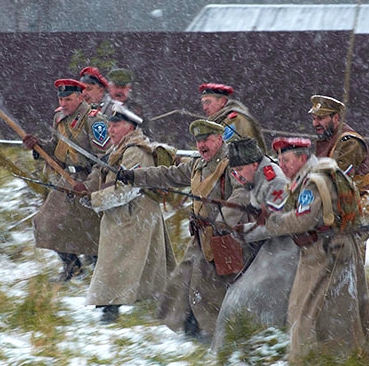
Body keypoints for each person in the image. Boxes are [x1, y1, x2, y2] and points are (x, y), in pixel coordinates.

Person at [238, 155, 369, 364]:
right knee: (316, 311)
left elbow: (302, 220)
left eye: (287, 159)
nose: (283, 165)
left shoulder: (314, 183)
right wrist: (266, 216)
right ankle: (332, 361)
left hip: (329, 252)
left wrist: (271, 221)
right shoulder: (303, 181)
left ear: (302, 158)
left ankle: (323, 365)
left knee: (314, 312)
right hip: (321, 252)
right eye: (280, 159)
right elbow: (292, 212)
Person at [115, 119, 248, 340]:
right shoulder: (197, 164)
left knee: (209, 287)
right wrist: (135, 177)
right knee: (182, 280)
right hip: (201, 236)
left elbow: (241, 195)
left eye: (206, 139)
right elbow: (169, 175)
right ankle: (188, 327)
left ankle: (215, 333)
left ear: (220, 138)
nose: (201, 145)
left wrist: (223, 223)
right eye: (198, 141)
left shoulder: (232, 163)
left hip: (224, 239)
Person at [81, 105, 176, 323]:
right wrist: (88, 190)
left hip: (136, 213)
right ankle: (114, 302)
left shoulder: (135, 151)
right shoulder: (121, 149)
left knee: (120, 260)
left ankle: (110, 306)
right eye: (110, 125)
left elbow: (129, 189)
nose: (110, 130)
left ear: (130, 126)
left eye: (116, 125)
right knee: (137, 263)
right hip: (125, 214)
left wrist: (95, 199)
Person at [211, 137, 297, 352]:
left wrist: (245, 233)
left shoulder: (274, 181)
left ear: (254, 164)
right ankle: (242, 347)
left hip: (288, 248)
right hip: (271, 247)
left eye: (240, 170)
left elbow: (279, 224)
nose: (237, 176)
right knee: (236, 295)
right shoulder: (256, 178)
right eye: (234, 172)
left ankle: (263, 347)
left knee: (247, 296)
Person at [22, 79, 111, 282]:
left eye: (68, 99)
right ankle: (72, 266)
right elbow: (56, 147)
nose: (63, 103)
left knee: (92, 232)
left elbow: (104, 160)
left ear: (80, 98)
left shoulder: (95, 121)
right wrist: (38, 146)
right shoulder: (59, 117)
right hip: (68, 179)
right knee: (45, 222)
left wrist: (88, 186)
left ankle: (101, 279)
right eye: (61, 98)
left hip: (93, 179)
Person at [308, 94, 369, 224]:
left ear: (335, 118)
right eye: (314, 119)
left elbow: (337, 181)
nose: (315, 123)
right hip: (346, 205)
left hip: (365, 205)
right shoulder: (327, 138)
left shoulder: (349, 142)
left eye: (320, 118)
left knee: (347, 243)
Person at [199, 83, 266, 151]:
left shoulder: (234, 121)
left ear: (222, 101)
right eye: (203, 103)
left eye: (208, 102)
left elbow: (226, 151)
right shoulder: (222, 120)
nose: (204, 107)